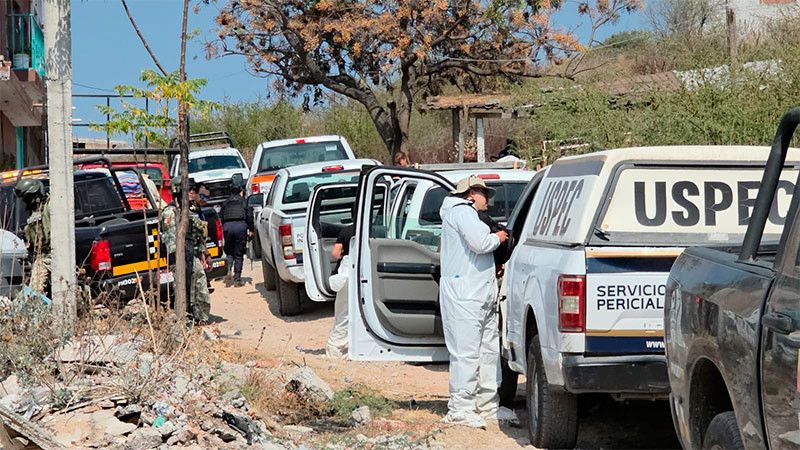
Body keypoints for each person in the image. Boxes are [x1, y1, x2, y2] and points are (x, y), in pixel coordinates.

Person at [438, 175, 518, 428]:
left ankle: (487, 405)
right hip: (466, 294)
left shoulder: (464, 214)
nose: (488, 202)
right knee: (466, 353)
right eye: (485, 195)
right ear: (472, 193)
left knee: (487, 352)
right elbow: (481, 243)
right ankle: (461, 408)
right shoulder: (462, 212)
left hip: (478, 293)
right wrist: (500, 238)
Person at [325, 210, 355, 359]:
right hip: (365, 273)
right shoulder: (372, 229)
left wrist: (344, 254)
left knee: (343, 311)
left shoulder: (346, 231)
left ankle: (337, 346)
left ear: (351, 215)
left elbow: (335, 254)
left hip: (347, 273)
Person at [14, 178, 50, 295]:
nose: (26, 200)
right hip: (42, 256)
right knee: (34, 290)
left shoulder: (50, 206)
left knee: (70, 290)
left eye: (28, 196)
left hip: (56, 254)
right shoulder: (33, 212)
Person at [221, 176, 253, 287]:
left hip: (227, 227)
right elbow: (249, 215)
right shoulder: (244, 202)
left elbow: (221, 217)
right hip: (240, 227)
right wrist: (251, 229)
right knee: (239, 253)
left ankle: (229, 269)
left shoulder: (225, 203)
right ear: (240, 192)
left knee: (229, 251)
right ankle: (237, 279)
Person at [188, 183, 212, 324]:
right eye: (202, 196)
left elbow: (202, 238)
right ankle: (199, 318)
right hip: (189, 255)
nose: (205, 200)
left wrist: (207, 255)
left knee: (198, 288)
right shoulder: (188, 212)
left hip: (197, 254)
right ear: (193, 194)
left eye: (207, 197)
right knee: (197, 289)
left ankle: (199, 317)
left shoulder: (199, 211)